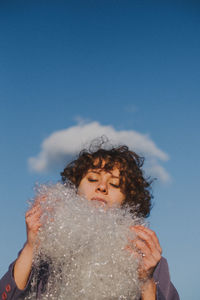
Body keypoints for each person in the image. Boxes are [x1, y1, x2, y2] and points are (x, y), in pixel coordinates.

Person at [0, 142, 180, 300]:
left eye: (115, 184)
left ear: (129, 201)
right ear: (74, 188)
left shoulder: (150, 262)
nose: (101, 187)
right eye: (93, 179)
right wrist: (31, 247)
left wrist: (146, 283)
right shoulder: (46, 250)